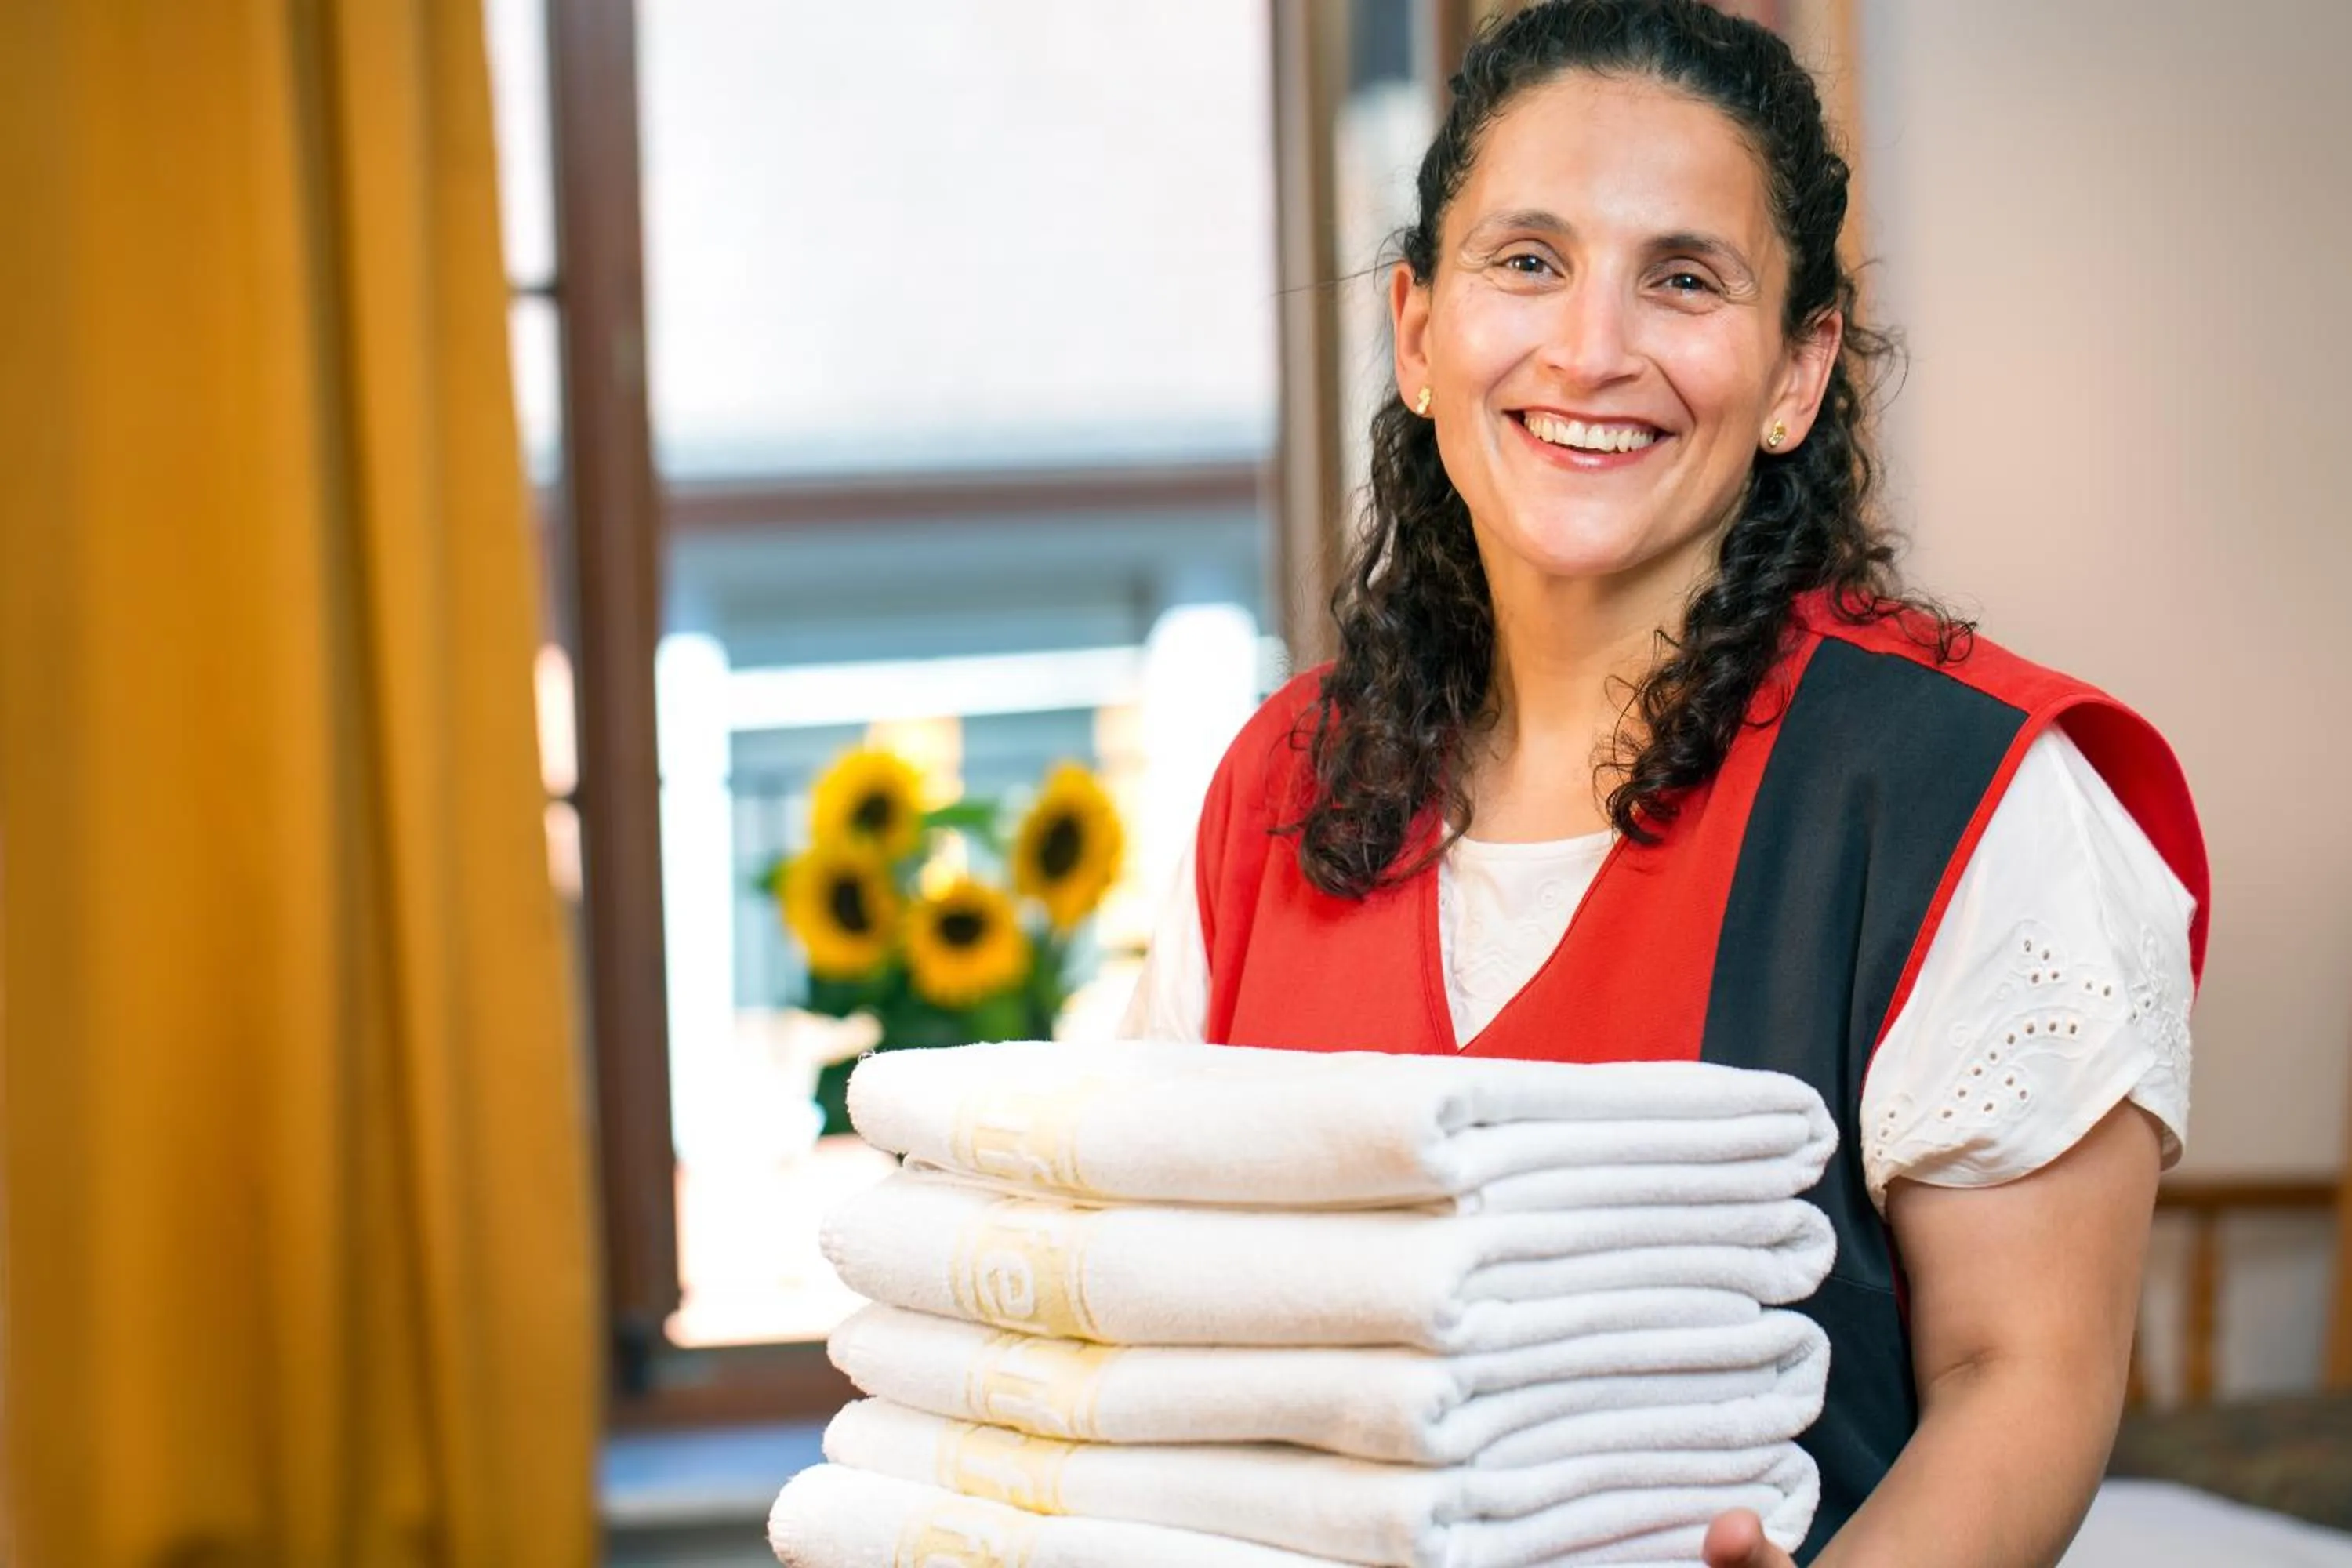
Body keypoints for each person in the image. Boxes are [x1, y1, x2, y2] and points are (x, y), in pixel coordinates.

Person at [1120, 2, 2209, 1563]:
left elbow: (2020, 1378)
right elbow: (1163, 1312)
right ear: (1419, 334)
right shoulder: (1278, 785)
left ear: (1797, 371)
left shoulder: (1964, 797)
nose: (1591, 348)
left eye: (1685, 279)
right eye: (1528, 261)